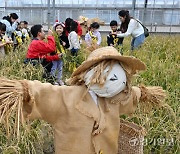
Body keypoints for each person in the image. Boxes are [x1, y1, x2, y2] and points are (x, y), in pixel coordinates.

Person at [0, 46, 166, 154]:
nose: (113, 79)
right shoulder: (66, 97)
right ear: (88, 73)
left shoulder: (116, 98)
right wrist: (21, 90)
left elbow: (133, 94)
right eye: (105, 71)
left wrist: (146, 93)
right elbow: (42, 92)